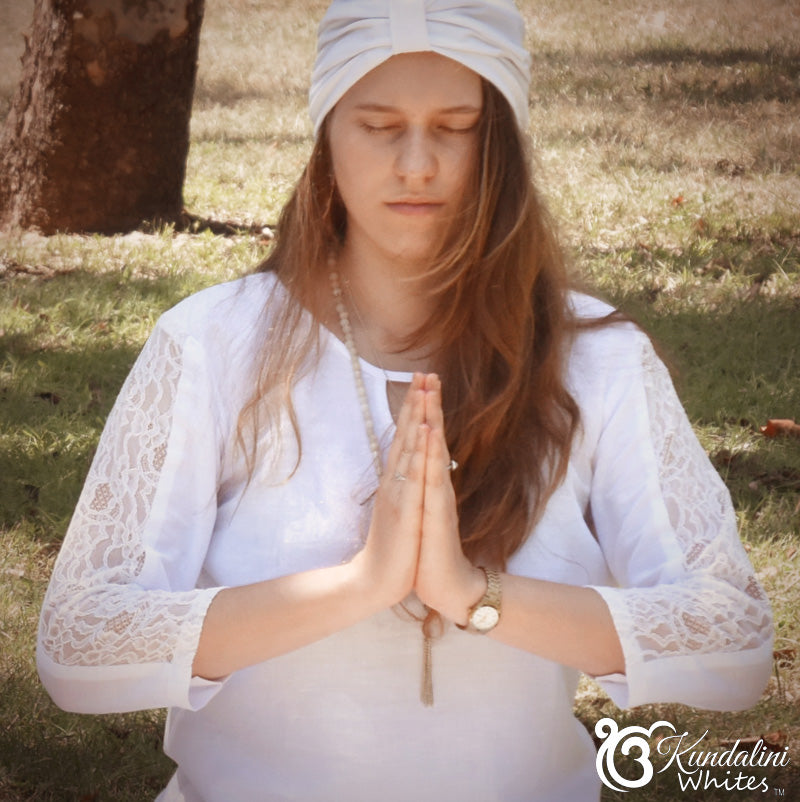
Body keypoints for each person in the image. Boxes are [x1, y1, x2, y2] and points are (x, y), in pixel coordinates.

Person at [37, 2, 774, 800]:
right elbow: (80, 647)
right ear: (326, 137)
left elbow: (734, 644)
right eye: (379, 124)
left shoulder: (596, 357)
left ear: (501, 144)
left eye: (455, 126)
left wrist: (475, 594)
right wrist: (361, 585)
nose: (416, 162)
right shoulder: (210, 344)